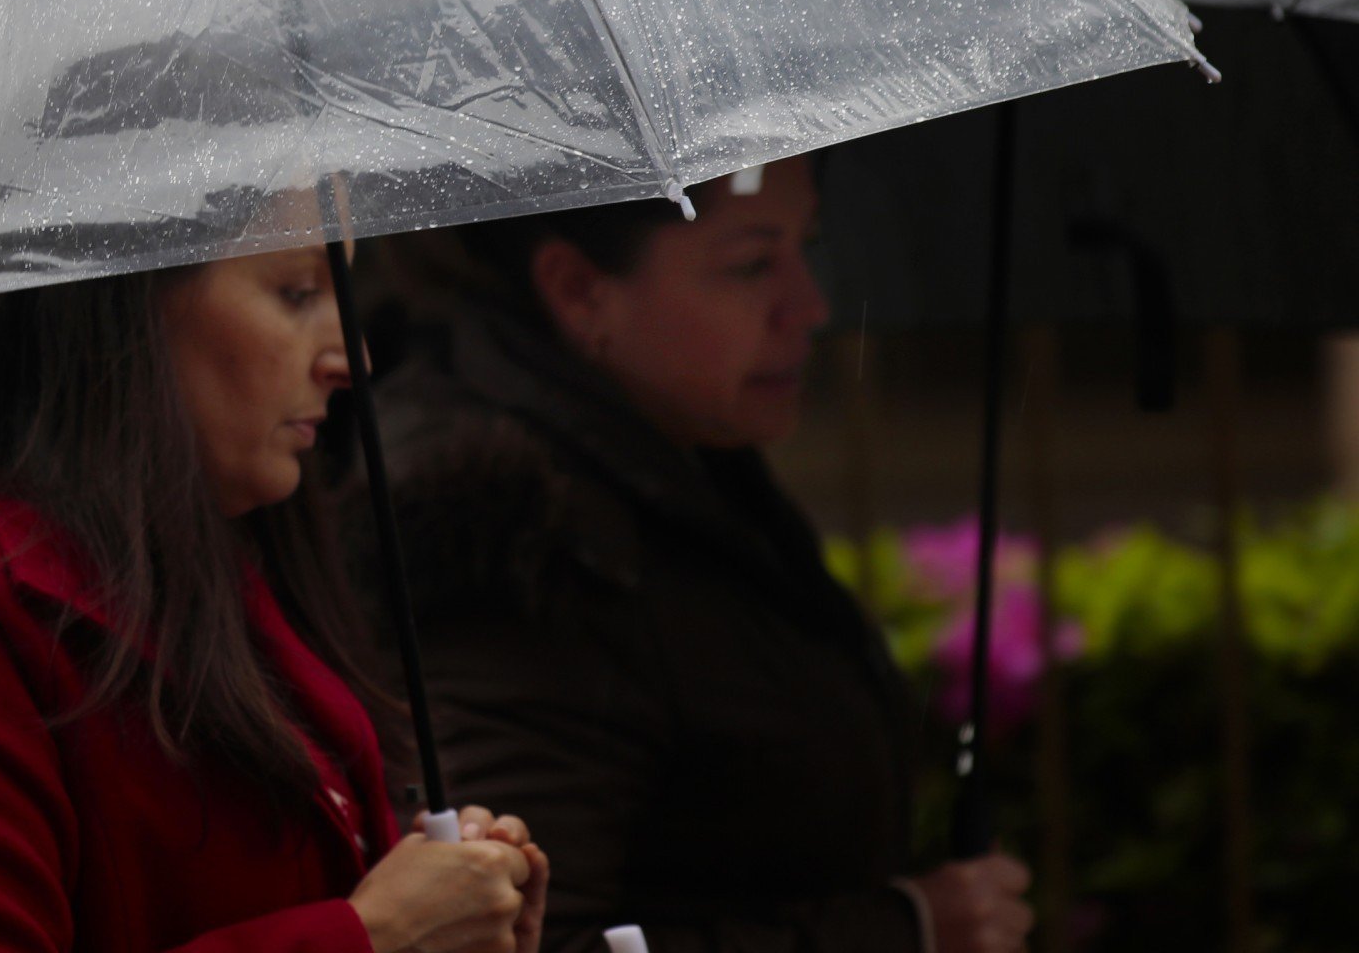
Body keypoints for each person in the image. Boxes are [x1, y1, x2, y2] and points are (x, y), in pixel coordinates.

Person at [0, 248, 551, 953]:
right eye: (296, 293)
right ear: (122, 303)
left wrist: (450, 907)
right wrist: (371, 936)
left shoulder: (235, 569)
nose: (351, 355)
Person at [360, 159, 1033, 953]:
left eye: (804, 247)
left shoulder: (676, 461)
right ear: (578, 290)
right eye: (751, 264)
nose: (810, 307)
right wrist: (908, 929)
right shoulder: (513, 540)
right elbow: (528, 936)